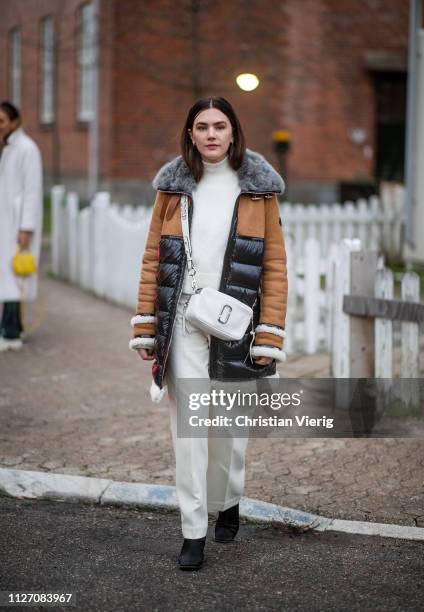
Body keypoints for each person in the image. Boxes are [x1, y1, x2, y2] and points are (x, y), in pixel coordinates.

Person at [130, 97, 288, 570]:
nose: (212, 134)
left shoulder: (259, 190)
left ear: (234, 132)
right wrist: (146, 325)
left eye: (221, 126)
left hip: (238, 324)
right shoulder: (173, 188)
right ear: (191, 134)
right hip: (182, 324)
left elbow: (275, 268)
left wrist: (269, 334)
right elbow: (152, 258)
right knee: (191, 430)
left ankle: (229, 497)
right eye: (203, 127)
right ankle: (193, 529)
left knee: (231, 430)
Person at [0, 101, 43, 351]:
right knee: (9, 277)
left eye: (3, 121)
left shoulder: (27, 149)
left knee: (14, 278)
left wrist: (26, 228)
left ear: (15, 122)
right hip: (6, 223)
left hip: (17, 226)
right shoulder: (7, 147)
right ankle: (11, 327)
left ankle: (11, 332)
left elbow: (32, 192)